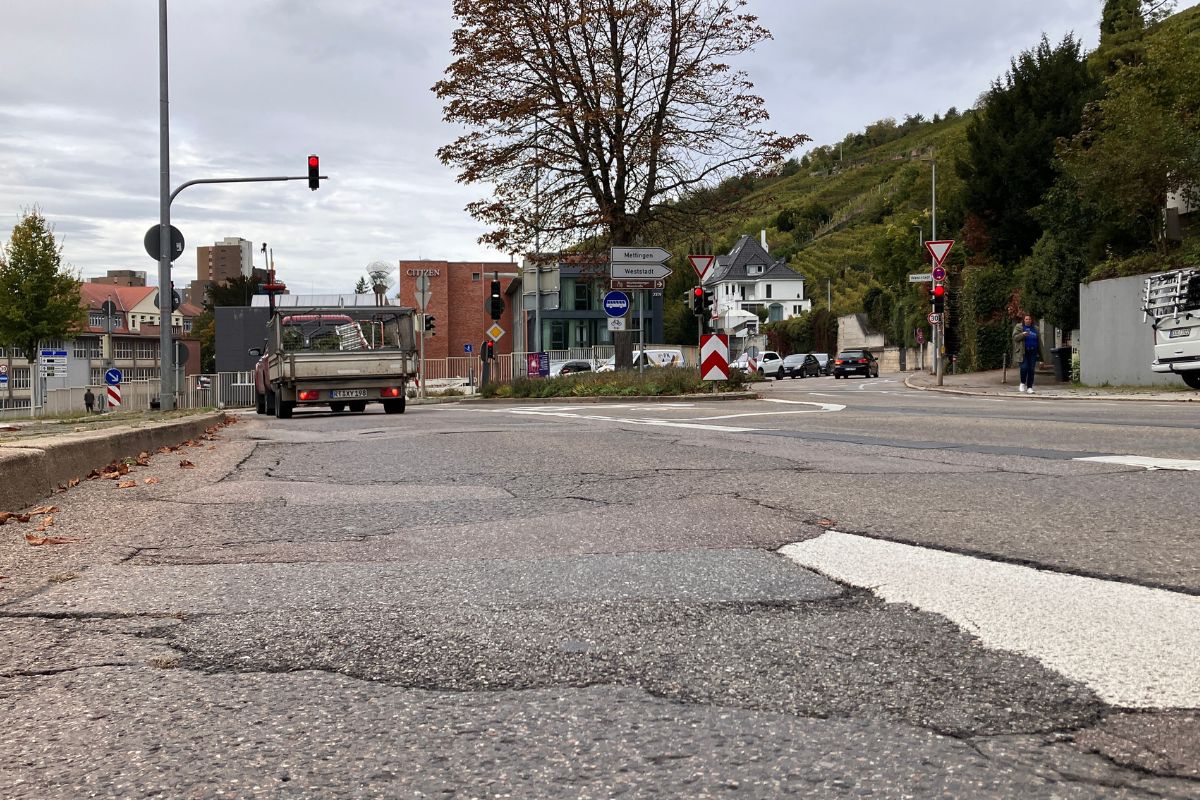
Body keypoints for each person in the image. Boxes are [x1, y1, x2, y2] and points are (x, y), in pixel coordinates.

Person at [1013, 314, 1040, 394]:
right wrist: (1023, 334)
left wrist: (1040, 355)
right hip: (1023, 352)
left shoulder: (1035, 328)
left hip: (1033, 352)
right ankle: (1022, 383)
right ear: (1024, 320)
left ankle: (1029, 387)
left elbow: (1039, 342)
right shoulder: (1019, 327)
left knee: (1031, 369)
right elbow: (1015, 338)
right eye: (1026, 319)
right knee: (1024, 367)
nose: (1028, 320)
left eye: (1029, 319)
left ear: (1031, 320)